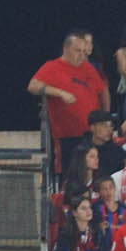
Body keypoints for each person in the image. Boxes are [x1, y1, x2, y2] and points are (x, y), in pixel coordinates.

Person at [32, 31, 110, 175]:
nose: (81, 55)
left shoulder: (87, 67)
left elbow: (102, 90)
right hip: (68, 136)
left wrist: (105, 118)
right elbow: (33, 86)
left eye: (83, 51)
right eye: (77, 51)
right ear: (66, 49)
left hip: (92, 134)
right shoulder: (52, 67)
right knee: (71, 174)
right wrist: (59, 93)